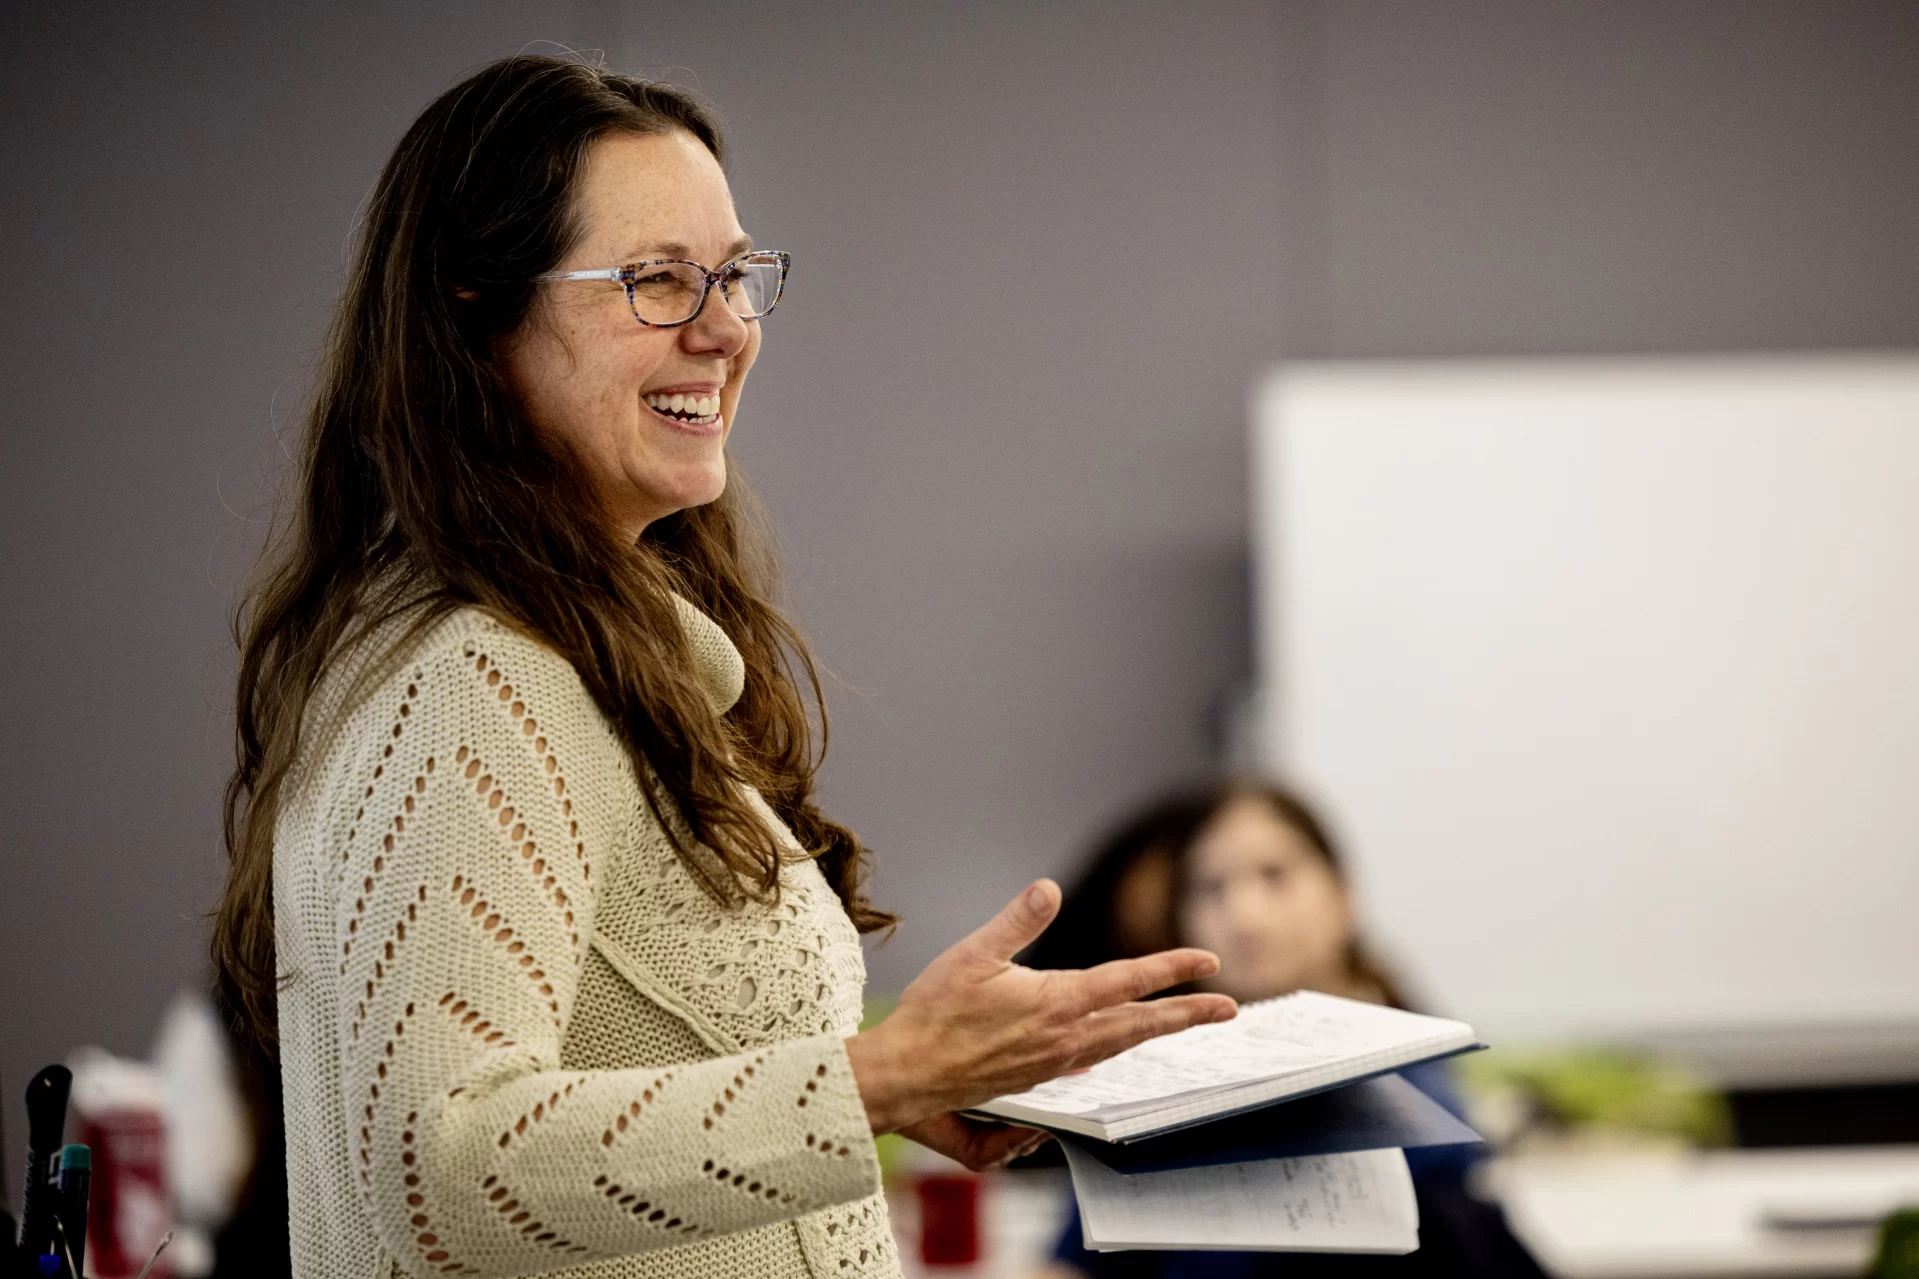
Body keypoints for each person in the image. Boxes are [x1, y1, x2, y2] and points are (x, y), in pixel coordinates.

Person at [209, 55, 1238, 1279]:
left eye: (738, 277)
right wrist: (883, 1071)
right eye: (655, 280)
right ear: (475, 316)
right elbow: (444, 1170)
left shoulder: (552, 655)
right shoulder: (478, 678)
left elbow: (619, 1074)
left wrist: (908, 1084)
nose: (727, 328)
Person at [1026, 781, 1546, 1279]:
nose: (1245, 915)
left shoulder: (1418, 1080)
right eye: (1211, 888)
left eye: (1275, 875)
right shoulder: (1156, 1100)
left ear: (1342, 897)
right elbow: (1074, 1261)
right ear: (1182, 925)